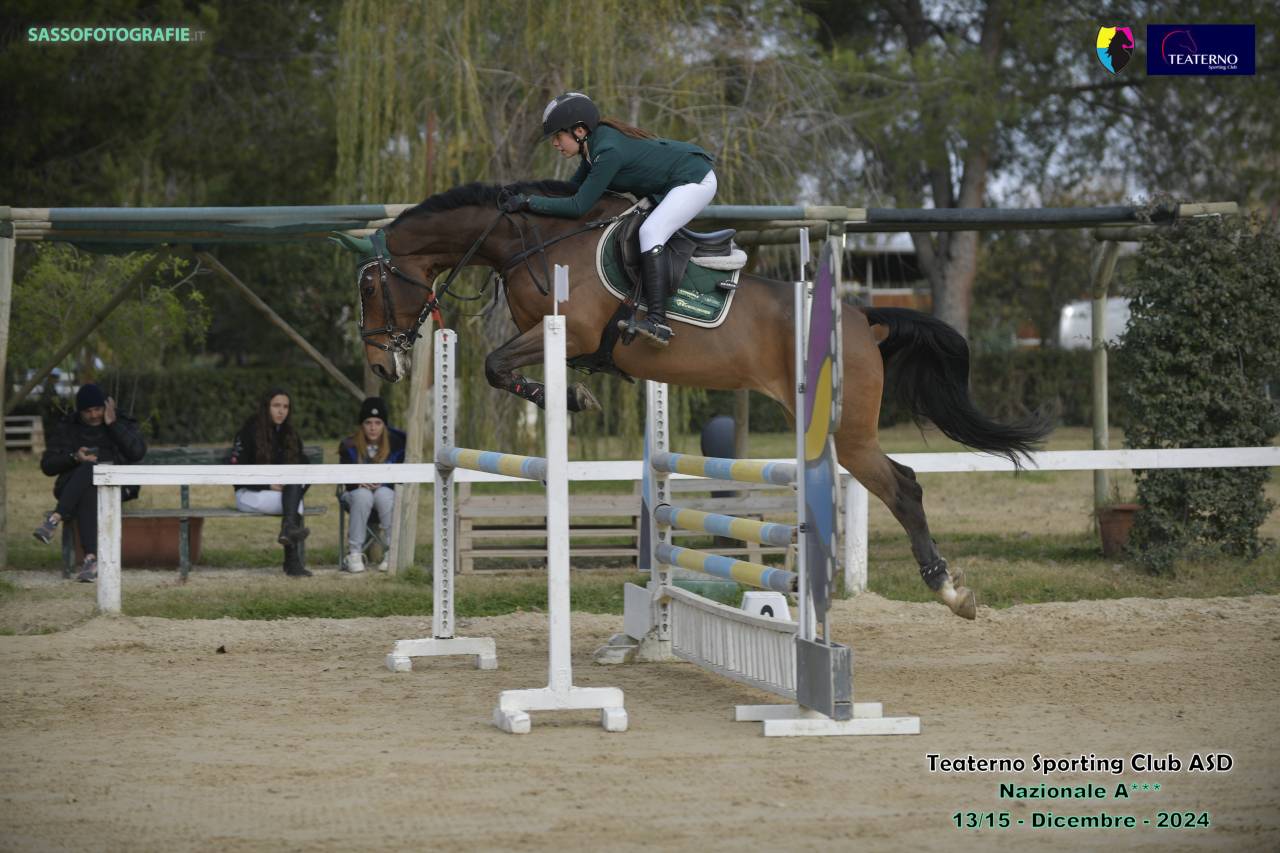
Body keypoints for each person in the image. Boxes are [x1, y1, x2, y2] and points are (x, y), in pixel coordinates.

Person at [502, 91, 717, 347]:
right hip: (670, 185)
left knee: (650, 232)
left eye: (558, 135)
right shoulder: (592, 150)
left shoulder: (607, 152)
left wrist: (528, 202)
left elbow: (577, 206)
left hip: (695, 179)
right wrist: (526, 196)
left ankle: (658, 321)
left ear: (579, 131)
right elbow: (569, 191)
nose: (555, 143)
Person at [34, 383, 147, 582]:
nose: (94, 415)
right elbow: (48, 466)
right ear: (80, 412)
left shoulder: (120, 420)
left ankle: (55, 519)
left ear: (106, 407)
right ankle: (91, 561)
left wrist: (113, 425)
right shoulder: (68, 426)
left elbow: (137, 452)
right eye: (88, 411)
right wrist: (74, 458)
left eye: (98, 409)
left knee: (92, 475)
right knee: (89, 472)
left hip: (116, 487)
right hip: (71, 487)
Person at [228, 387, 312, 577]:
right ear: (266, 407)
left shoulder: (290, 434)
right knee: (295, 504)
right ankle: (292, 562)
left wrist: (284, 488)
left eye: (285, 407)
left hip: (281, 494)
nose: (281, 411)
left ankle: (288, 531)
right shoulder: (248, 431)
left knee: (298, 480)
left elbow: (303, 466)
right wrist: (268, 485)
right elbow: (237, 472)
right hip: (249, 494)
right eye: (276, 406)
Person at [337, 396, 406, 573]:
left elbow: (400, 477)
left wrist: (383, 482)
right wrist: (359, 482)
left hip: (385, 492)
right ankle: (354, 553)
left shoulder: (397, 444)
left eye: (378, 422)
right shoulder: (350, 445)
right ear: (362, 424)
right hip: (355, 494)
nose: (373, 427)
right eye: (368, 422)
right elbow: (345, 479)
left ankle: (392, 551)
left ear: (384, 424)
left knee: (383, 494)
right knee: (363, 495)